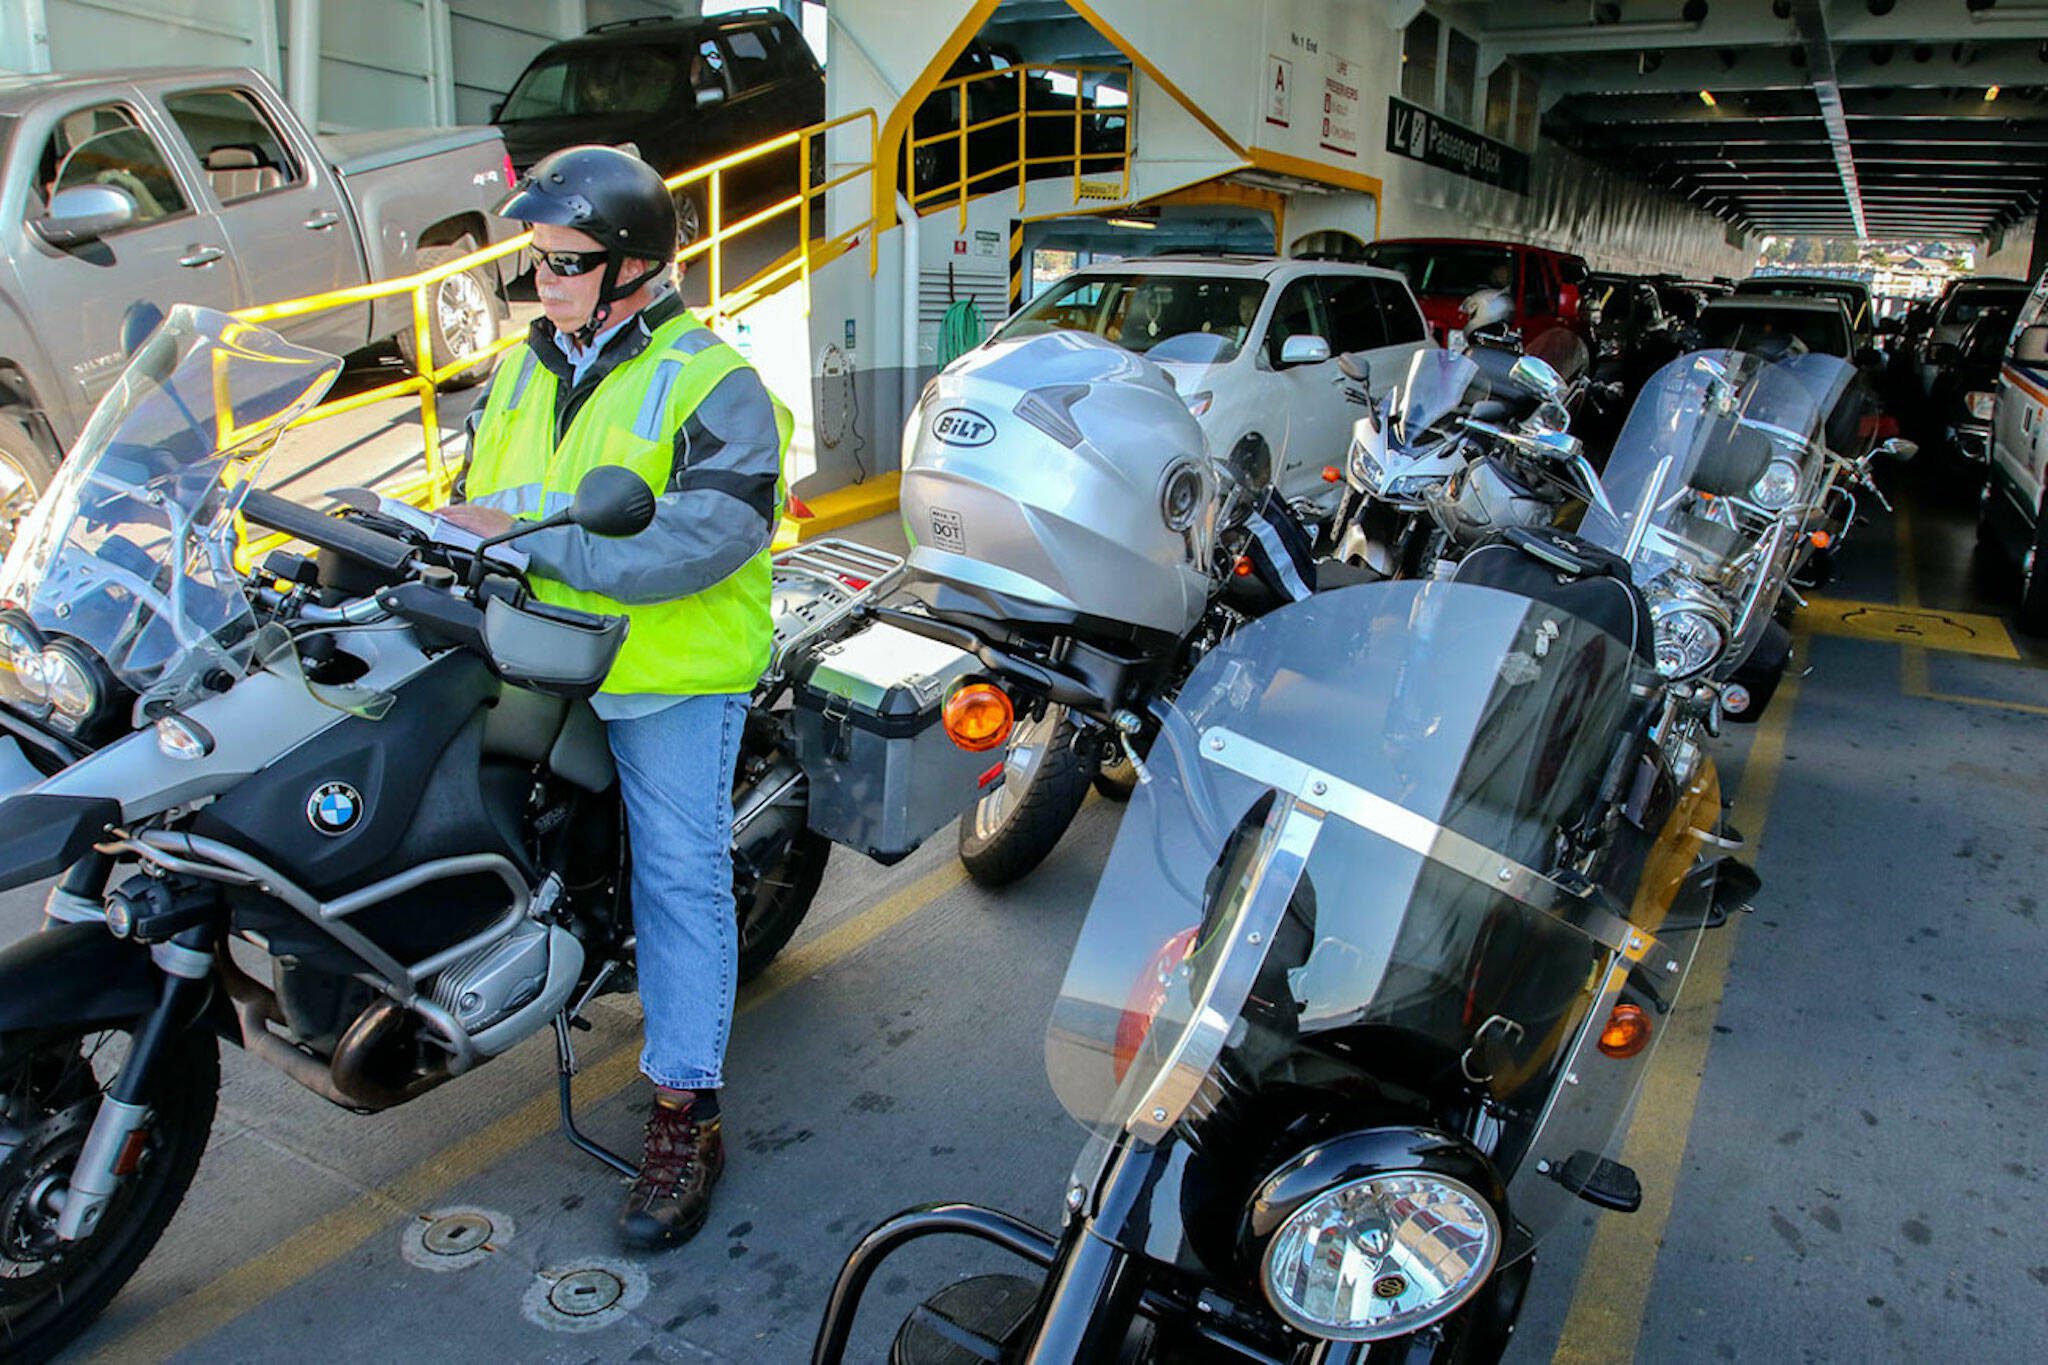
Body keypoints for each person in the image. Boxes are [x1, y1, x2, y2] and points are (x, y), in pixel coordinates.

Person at [446, 144, 789, 1251]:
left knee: (681, 874)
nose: (538, 284)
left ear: (633, 268)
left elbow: (709, 535)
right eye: (532, 264)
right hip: (532, 648)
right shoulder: (520, 367)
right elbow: (475, 501)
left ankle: (687, 1109)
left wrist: (536, 547)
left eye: (562, 263)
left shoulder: (712, 378)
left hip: (660, 669)